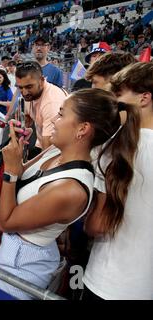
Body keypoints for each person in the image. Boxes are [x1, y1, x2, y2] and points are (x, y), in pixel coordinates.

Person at [0, 88, 141, 300]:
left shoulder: (71, 190)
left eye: (61, 114)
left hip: (22, 265)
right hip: (11, 252)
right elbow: (23, 175)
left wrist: (10, 172)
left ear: (83, 128)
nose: (54, 119)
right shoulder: (56, 149)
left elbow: (6, 221)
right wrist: (17, 154)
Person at [82, 62, 153, 300]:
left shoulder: (116, 146)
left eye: (119, 94)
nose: (114, 101)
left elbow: (97, 225)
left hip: (108, 281)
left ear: (144, 98)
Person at [15, 61, 67, 156]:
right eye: (20, 88)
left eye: (29, 87)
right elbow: (25, 119)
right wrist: (23, 128)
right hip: (42, 144)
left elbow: (48, 153)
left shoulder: (51, 103)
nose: (25, 93)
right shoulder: (29, 95)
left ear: (42, 81)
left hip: (59, 153)